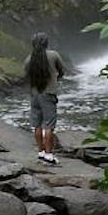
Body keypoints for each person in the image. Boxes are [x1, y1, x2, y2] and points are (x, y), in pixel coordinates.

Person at [25, 32, 66, 164]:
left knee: (36, 124)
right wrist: (56, 79)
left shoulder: (28, 59)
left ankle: (41, 151)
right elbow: (62, 71)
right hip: (48, 94)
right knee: (49, 125)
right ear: (46, 43)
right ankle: (49, 154)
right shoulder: (53, 55)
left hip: (34, 94)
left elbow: (26, 76)